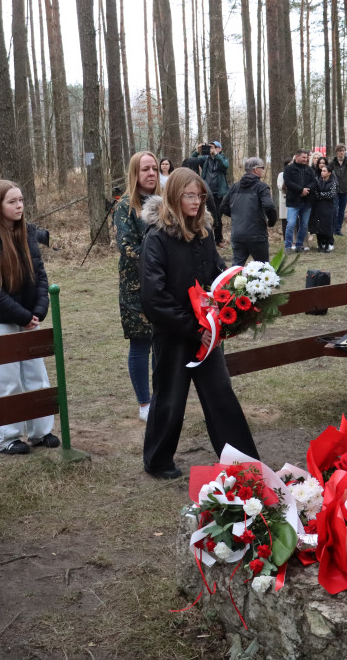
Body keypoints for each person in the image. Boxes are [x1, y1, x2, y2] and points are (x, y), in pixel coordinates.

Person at [138, 167, 260, 479]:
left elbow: (217, 275)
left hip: (206, 332)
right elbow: (155, 298)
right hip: (174, 334)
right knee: (170, 398)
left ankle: (241, 460)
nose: (196, 201)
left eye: (200, 195)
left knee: (220, 393)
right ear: (174, 197)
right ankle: (158, 460)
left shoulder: (203, 233)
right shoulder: (156, 239)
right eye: (189, 195)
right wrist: (193, 329)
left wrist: (238, 290)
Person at [0, 180, 59, 454]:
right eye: (12, 201)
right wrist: (21, 316)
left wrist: (38, 310)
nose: (19, 206)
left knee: (36, 375)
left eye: (20, 200)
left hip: (29, 317)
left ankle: (40, 431)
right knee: (5, 380)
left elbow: (40, 276)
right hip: (0, 319)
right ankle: (7, 437)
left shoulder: (28, 233)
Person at [114, 151, 161, 422]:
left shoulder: (166, 201)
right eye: (145, 169)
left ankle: (161, 396)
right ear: (135, 173)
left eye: (154, 168)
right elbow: (127, 246)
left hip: (163, 285)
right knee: (141, 343)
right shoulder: (125, 206)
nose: (151, 173)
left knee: (162, 342)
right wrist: (158, 257)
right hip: (136, 285)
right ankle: (145, 403)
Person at [219, 156, 276, 265]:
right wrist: (271, 221)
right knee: (263, 269)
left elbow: (223, 207)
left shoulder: (235, 187)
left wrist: (238, 216)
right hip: (257, 235)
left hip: (238, 234)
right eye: (262, 167)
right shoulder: (261, 187)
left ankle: (233, 282)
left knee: (236, 269)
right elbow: (269, 205)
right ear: (256, 170)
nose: (263, 170)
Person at [190, 141, 230, 246]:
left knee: (217, 216)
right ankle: (206, 238)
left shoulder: (222, 158)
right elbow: (191, 161)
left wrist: (215, 155)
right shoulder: (205, 159)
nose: (212, 149)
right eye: (210, 147)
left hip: (218, 193)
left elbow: (225, 166)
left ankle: (219, 239)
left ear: (220, 149)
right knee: (205, 215)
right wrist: (197, 151)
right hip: (206, 193)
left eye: (215, 147)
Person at [283, 149, 315, 251]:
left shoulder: (309, 170)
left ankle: (299, 245)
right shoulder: (289, 169)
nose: (305, 159)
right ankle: (288, 245)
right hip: (293, 200)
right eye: (303, 157)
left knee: (304, 225)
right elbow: (288, 182)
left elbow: (314, 182)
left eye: (306, 157)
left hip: (307, 201)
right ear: (297, 157)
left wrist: (306, 190)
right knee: (291, 224)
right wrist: (300, 190)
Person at [311, 162, 337, 252]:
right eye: (322, 171)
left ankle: (327, 244)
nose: (322, 173)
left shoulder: (333, 183)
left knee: (327, 226)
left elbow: (331, 194)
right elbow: (315, 193)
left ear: (329, 173)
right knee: (319, 226)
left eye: (325, 171)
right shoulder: (318, 182)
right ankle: (320, 244)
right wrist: (321, 195)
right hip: (318, 207)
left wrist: (321, 195)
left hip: (328, 207)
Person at [331, 145, 347, 235]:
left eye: (343, 151)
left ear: (345, 152)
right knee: (334, 210)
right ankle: (333, 229)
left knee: (341, 211)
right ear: (337, 152)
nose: (341, 152)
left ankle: (338, 229)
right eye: (340, 151)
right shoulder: (332, 163)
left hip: (345, 190)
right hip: (335, 190)